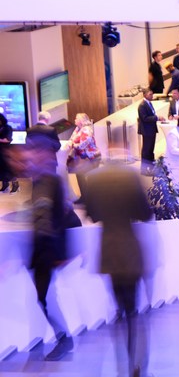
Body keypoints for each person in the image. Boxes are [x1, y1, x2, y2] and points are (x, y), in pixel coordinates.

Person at [84, 159, 153, 375]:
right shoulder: (130, 176)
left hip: (109, 250)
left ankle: (123, 364)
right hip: (129, 250)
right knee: (133, 310)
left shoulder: (94, 178)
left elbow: (92, 215)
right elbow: (145, 214)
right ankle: (133, 364)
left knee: (120, 307)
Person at [28, 143, 74, 361]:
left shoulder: (53, 182)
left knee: (44, 296)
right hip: (40, 250)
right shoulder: (37, 182)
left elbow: (62, 218)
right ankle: (63, 337)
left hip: (49, 250)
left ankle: (64, 338)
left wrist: (61, 253)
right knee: (43, 297)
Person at [66, 113, 100, 204]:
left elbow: (82, 145)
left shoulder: (86, 130)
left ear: (81, 120)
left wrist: (73, 145)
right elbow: (71, 139)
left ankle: (89, 199)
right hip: (81, 157)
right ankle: (84, 197)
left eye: (76, 118)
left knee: (84, 177)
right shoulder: (77, 129)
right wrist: (71, 143)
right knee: (80, 176)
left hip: (89, 157)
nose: (74, 120)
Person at [26, 111, 62, 191]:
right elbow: (57, 146)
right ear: (47, 119)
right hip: (49, 161)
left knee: (36, 183)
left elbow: (28, 146)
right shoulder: (51, 130)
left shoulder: (30, 130)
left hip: (34, 161)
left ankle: (36, 197)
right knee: (50, 183)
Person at [137, 87, 159, 174]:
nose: (152, 96)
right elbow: (145, 118)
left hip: (151, 129)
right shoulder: (142, 106)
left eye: (152, 94)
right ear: (145, 95)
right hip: (147, 131)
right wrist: (156, 118)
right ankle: (144, 169)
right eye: (150, 94)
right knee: (146, 150)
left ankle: (151, 166)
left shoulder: (149, 103)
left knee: (151, 149)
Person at [0, 113, 13, 193]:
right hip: (0, 152)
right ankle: (5, 185)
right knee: (1, 170)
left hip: (5, 151)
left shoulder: (8, 128)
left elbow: (7, 140)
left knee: (8, 170)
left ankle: (15, 185)